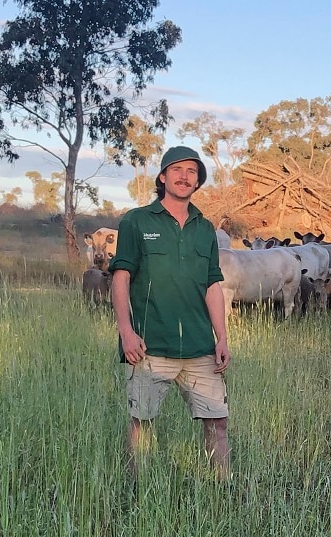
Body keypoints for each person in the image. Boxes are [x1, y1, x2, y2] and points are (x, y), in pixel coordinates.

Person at [109, 146, 231, 480]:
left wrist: (221, 338)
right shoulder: (136, 222)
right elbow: (121, 278)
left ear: (198, 181)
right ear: (162, 177)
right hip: (150, 346)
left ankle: (220, 490)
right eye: (176, 170)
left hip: (200, 347)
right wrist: (126, 332)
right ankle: (137, 493)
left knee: (217, 422)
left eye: (191, 171)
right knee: (142, 424)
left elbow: (212, 286)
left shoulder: (204, 228)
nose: (184, 176)